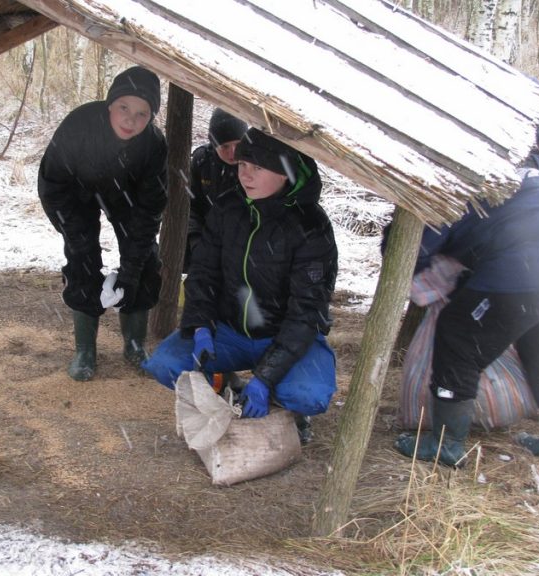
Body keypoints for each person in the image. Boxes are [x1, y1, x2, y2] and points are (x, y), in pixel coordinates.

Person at [143, 127, 338, 443]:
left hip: (285, 336)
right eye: (243, 165)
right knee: (166, 364)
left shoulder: (311, 225)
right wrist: (201, 325)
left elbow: (306, 312)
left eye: (257, 168)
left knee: (308, 395)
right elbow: (204, 274)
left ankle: (287, 409)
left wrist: (265, 378)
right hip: (229, 330)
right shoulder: (227, 207)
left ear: (286, 172)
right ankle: (226, 384)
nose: (245, 175)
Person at [393, 164, 539, 469]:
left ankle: (446, 445)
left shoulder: (437, 195)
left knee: (458, 333)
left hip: (530, 260)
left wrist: (423, 274)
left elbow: (416, 248)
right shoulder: (501, 175)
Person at [38, 66, 168, 381]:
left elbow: (150, 208)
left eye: (141, 113)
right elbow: (53, 185)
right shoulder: (79, 124)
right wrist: (76, 235)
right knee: (82, 259)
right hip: (74, 193)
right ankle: (85, 349)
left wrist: (131, 272)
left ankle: (134, 345)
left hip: (128, 198)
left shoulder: (153, 144)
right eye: (124, 108)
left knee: (145, 261)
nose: (130, 120)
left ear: (150, 117)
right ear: (110, 104)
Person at [184, 107, 247, 271]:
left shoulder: (255, 165)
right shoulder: (202, 161)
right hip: (206, 238)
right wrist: (196, 241)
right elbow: (190, 206)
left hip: (244, 245)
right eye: (225, 146)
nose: (233, 152)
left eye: (238, 144)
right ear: (214, 144)